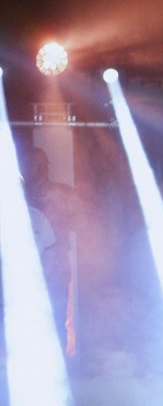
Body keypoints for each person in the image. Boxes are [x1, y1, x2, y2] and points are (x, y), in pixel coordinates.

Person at [21, 147, 81, 354]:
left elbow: (83, 223)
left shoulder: (63, 193)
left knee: (56, 314)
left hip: (56, 269)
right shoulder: (16, 195)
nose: (36, 170)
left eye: (40, 165)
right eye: (32, 165)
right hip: (24, 271)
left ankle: (59, 363)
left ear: (47, 167)